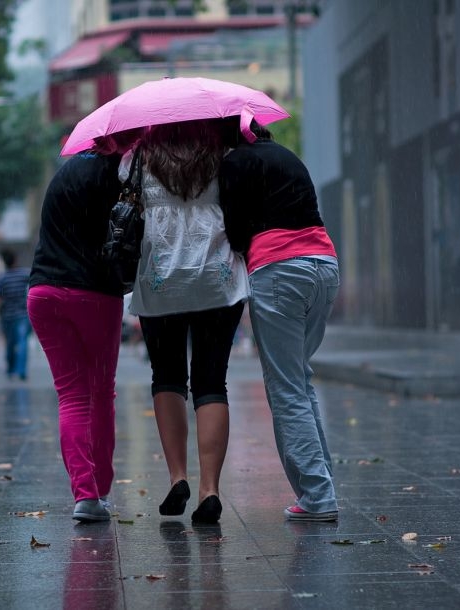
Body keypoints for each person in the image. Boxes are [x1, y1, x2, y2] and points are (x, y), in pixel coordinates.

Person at [125, 119, 249, 524]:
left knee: (167, 378)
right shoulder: (222, 156)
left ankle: (178, 476)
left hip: (162, 282)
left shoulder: (137, 158)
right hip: (216, 277)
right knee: (212, 380)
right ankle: (209, 488)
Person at [218, 120, 340, 522]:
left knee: (286, 388)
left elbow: (234, 229)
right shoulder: (287, 156)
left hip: (280, 270)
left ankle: (318, 496)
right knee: (300, 381)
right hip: (324, 264)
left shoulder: (235, 162)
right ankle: (321, 485)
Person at [27, 132, 139, 523]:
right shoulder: (120, 179)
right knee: (100, 392)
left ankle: (83, 494)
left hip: (43, 293)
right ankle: (100, 491)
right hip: (94, 293)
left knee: (71, 396)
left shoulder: (65, 172)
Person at [0, 249, 31, 380]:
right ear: (15, 260)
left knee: (10, 343)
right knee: (22, 342)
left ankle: (11, 369)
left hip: (8, 316)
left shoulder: (1, 279)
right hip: (23, 315)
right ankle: (21, 370)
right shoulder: (25, 274)